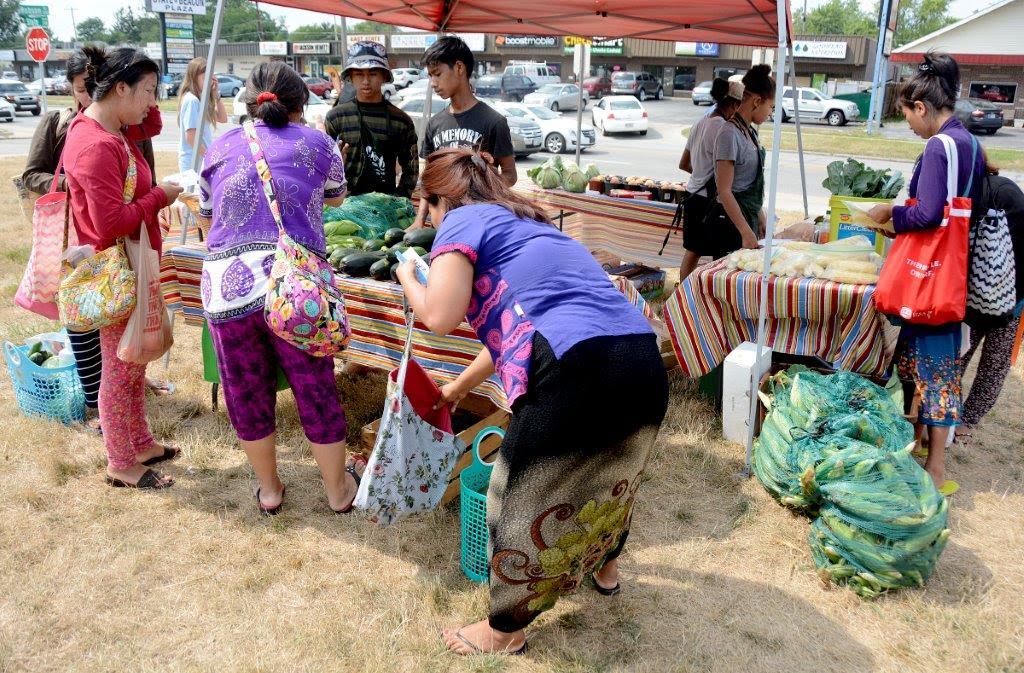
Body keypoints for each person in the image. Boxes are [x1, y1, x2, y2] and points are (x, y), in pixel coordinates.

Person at [397, 148, 668, 655]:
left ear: (439, 201)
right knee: (614, 475)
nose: (430, 221)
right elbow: (518, 328)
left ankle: (504, 630)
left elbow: (439, 316)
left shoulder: (459, 222)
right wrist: (457, 388)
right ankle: (606, 569)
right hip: (639, 357)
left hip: (576, 368)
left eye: (427, 209)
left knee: (515, 492)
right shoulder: (535, 226)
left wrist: (410, 279)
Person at [197, 62, 359, 515]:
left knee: (246, 389)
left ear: (246, 102)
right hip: (294, 288)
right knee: (314, 386)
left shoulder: (220, 146)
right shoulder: (319, 142)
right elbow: (337, 195)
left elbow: (208, 217)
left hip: (226, 288)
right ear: (301, 104)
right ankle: (337, 491)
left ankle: (269, 490)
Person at [63, 47, 184, 489]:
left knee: (134, 364)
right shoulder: (95, 144)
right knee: (120, 368)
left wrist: (138, 106)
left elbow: (149, 123)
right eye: (149, 90)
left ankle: (141, 442)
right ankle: (120, 461)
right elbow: (110, 222)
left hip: (134, 261)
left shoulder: (111, 130)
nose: (154, 101)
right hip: (116, 268)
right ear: (119, 88)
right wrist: (160, 197)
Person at [867, 52, 985, 489]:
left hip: (929, 278)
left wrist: (890, 214)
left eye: (908, 118)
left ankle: (934, 469)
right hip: (950, 271)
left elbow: (930, 214)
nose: (911, 128)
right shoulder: (969, 141)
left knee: (934, 371)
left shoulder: (939, 146)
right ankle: (915, 448)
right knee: (921, 365)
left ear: (922, 107)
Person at [955, 153, 1024, 444]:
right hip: (981, 296)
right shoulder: (972, 194)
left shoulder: (999, 195)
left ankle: (967, 420)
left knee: (986, 360)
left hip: (1007, 296)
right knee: (971, 357)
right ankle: (956, 416)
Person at [412, 36, 516, 228]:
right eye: (430, 76)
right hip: (442, 225)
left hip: (481, 224)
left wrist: (481, 189)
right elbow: (428, 179)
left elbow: (510, 175)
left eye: (437, 74)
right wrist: (419, 220)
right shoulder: (435, 123)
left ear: (459, 68)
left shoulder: (494, 121)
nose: (433, 83)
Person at [324, 41, 418, 197]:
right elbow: (320, 168)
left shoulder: (401, 121)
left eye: (373, 73)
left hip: (384, 210)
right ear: (351, 78)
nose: (366, 80)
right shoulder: (336, 117)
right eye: (359, 74)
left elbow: (411, 169)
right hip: (342, 208)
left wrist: (398, 202)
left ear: (384, 76)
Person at [678, 78, 744, 278]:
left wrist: (700, 173)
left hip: (692, 195)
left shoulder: (700, 122)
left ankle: (683, 295)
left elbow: (684, 164)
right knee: (719, 255)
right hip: (709, 201)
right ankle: (700, 297)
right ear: (734, 105)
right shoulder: (723, 128)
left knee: (693, 251)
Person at [707, 65, 775, 258]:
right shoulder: (729, 134)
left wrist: (760, 216)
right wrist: (745, 231)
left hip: (747, 217)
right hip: (730, 225)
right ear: (757, 101)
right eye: (770, 107)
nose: (770, 113)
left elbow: (749, 183)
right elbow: (724, 190)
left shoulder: (750, 131)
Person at [177, 57, 227, 172]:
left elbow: (223, 118)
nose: (210, 81)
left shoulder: (201, 100)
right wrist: (208, 157)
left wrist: (215, 95)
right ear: (194, 78)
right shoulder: (192, 100)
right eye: (205, 78)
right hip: (193, 162)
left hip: (200, 159)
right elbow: (191, 137)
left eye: (211, 77)